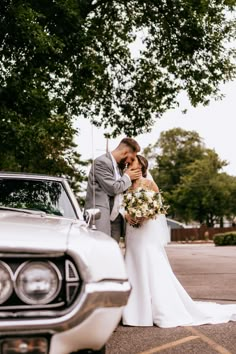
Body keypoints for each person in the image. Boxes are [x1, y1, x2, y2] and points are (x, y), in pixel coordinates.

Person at [122, 155, 236, 328]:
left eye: (133, 162)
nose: (129, 164)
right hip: (132, 233)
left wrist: (143, 216)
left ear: (142, 165)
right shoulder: (126, 185)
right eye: (128, 163)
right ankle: (135, 313)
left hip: (145, 232)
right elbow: (121, 206)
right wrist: (128, 215)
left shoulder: (149, 184)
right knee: (133, 266)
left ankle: (158, 309)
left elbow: (157, 208)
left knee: (150, 265)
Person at [84, 137, 142, 242]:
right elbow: (113, 188)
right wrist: (128, 177)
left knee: (113, 251)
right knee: (101, 249)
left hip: (116, 219)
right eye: (132, 158)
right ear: (125, 152)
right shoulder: (101, 162)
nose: (130, 162)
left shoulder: (120, 168)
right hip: (101, 216)